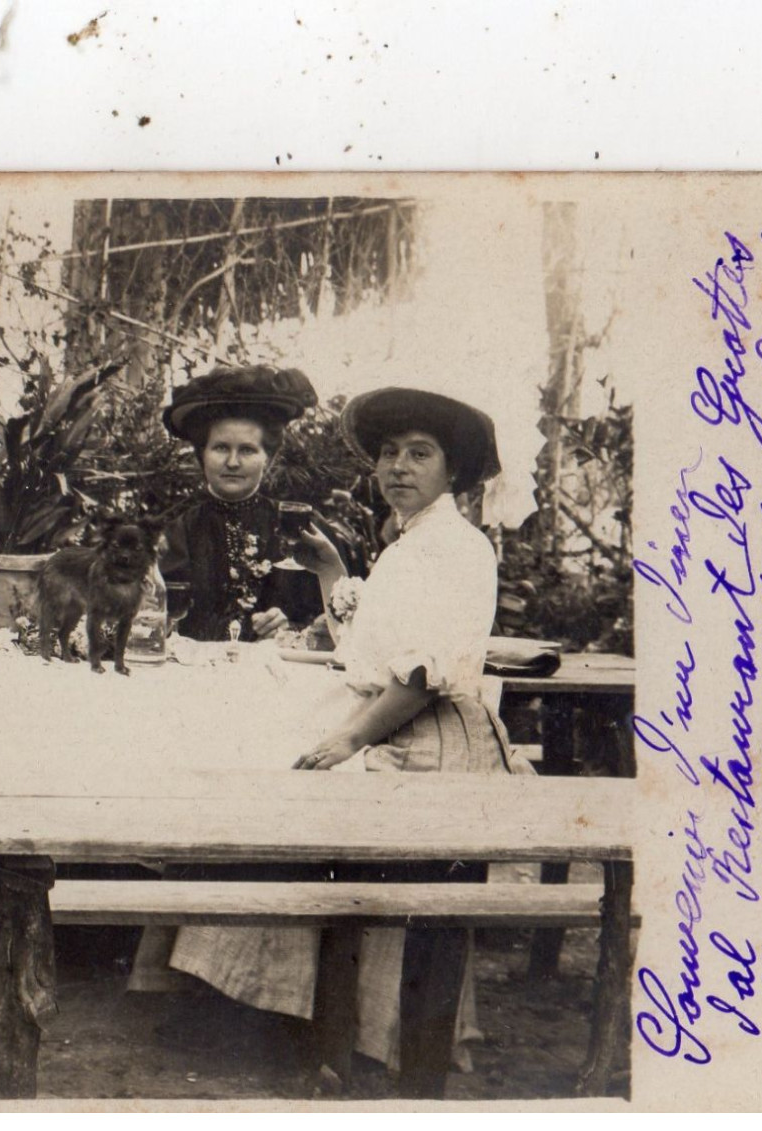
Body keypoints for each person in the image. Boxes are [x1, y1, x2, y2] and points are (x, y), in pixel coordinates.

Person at [165, 385, 522, 1098]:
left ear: (452, 469)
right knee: (332, 872)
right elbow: (370, 648)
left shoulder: (457, 545)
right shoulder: (408, 541)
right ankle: (340, 1047)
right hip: (392, 727)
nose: (398, 467)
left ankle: (408, 1068)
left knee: (414, 911)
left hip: (430, 741)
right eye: (390, 453)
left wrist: (347, 738)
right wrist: (332, 572)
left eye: (419, 454)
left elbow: (421, 672)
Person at [158, 365, 324, 642]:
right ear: (202, 455)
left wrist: (293, 623)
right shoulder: (177, 531)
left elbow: (334, 610)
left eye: (247, 450)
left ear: (268, 459)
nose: (233, 462)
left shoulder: (300, 525)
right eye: (221, 447)